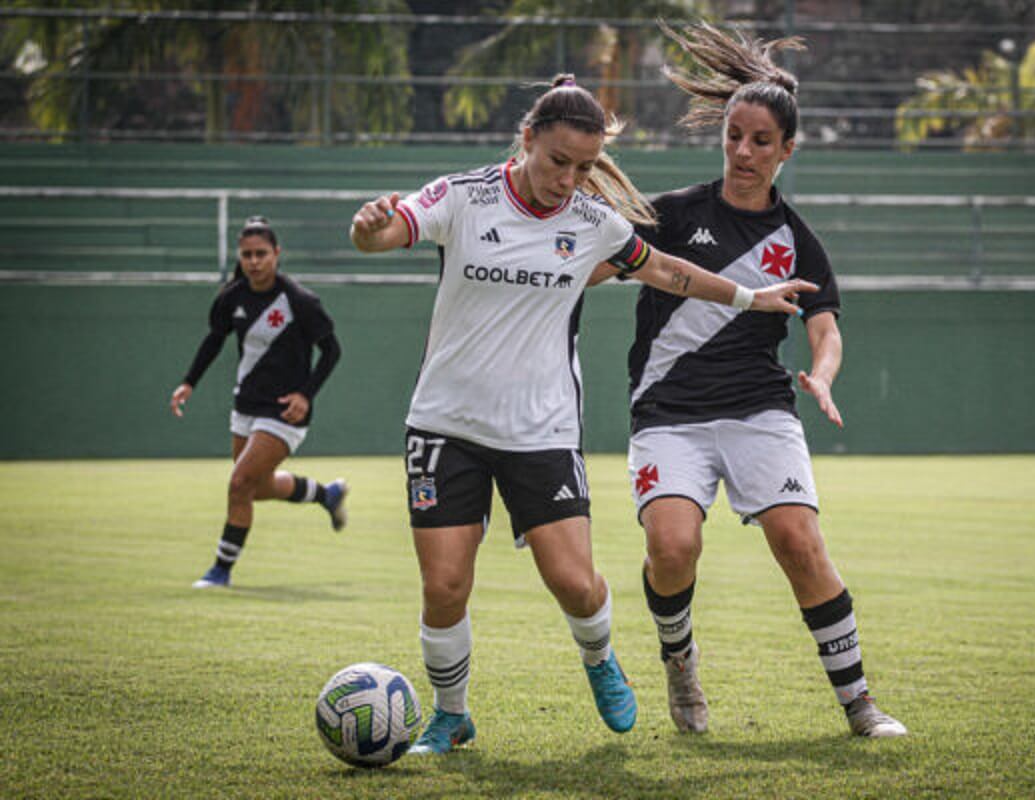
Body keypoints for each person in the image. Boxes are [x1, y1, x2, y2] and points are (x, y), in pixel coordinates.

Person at [349, 74, 813, 755]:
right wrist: (368, 228)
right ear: (527, 140)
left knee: (573, 583)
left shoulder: (593, 225)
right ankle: (452, 714)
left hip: (542, 431)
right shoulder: (463, 197)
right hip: (446, 425)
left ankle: (599, 658)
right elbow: (389, 232)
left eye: (583, 168)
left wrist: (748, 296)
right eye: (556, 161)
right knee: (445, 585)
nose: (567, 179)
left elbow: (666, 270)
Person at [589, 22, 908, 738]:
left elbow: (824, 329)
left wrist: (822, 379)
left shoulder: (799, 242)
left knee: (799, 543)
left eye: (761, 141)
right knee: (672, 548)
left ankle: (859, 703)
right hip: (668, 413)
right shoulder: (672, 214)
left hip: (759, 409)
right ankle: (680, 664)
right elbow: (598, 268)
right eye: (734, 135)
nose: (742, 151)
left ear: (787, 150)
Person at [170, 216, 347, 589]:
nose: (254, 261)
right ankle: (325, 494)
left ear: (277, 254)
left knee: (239, 484)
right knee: (255, 487)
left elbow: (332, 351)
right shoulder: (231, 298)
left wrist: (305, 395)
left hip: (284, 410)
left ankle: (220, 570)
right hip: (246, 405)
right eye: (247, 254)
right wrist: (188, 383)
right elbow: (214, 340)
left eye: (261, 254)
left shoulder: (299, 301)